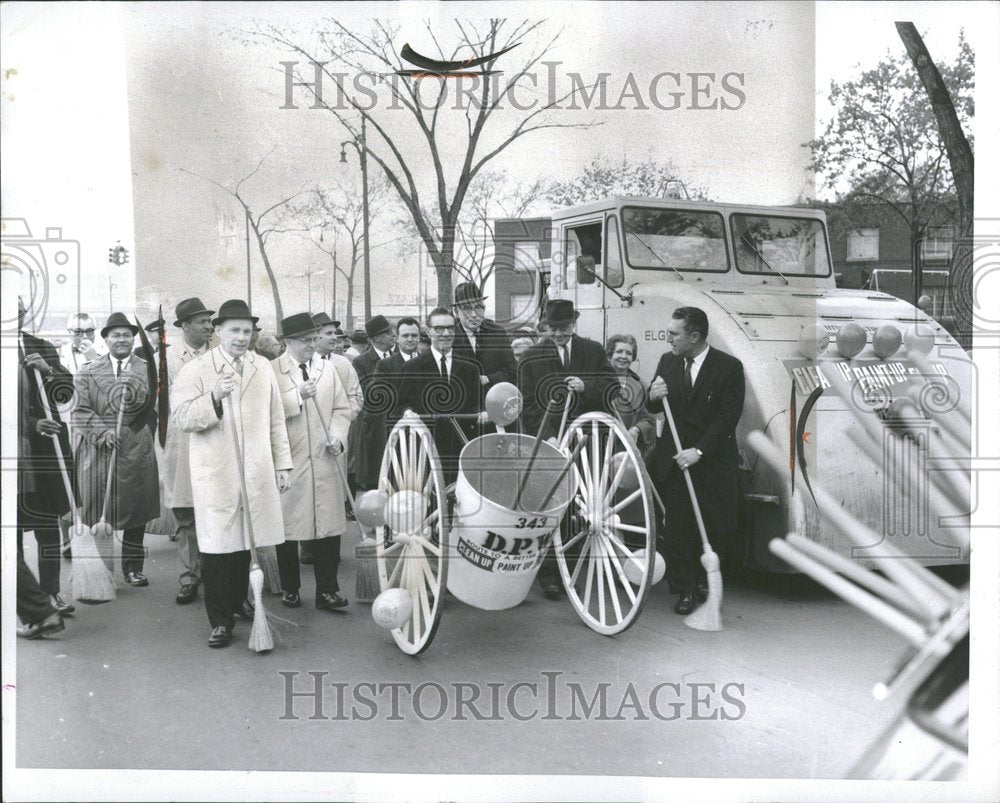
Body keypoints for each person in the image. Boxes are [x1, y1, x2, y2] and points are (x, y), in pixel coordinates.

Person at [171, 299, 292, 648]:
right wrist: (213, 397)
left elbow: (275, 420)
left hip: (255, 468)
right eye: (234, 330)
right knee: (217, 545)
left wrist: (282, 464)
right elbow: (181, 417)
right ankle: (220, 620)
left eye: (247, 331)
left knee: (246, 540)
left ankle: (241, 599)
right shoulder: (197, 369)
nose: (241, 337)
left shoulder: (262, 367)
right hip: (216, 470)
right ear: (219, 331)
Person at [648, 307, 745, 615]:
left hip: (712, 460)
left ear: (695, 336)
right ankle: (685, 588)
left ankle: (705, 580)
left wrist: (699, 451)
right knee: (678, 527)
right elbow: (653, 407)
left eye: (674, 333)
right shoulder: (668, 361)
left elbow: (727, 418)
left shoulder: (728, 367)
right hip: (675, 458)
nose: (669, 339)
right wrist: (652, 394)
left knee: (717, 525)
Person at [518, 299, 617, 599]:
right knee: (551, 507)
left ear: (574, 324)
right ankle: (549, 575)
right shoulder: (531, 358)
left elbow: (611, 386)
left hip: (587, 441)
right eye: (553, 328)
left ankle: (571, 568)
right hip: (549, 441)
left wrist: (586, 386)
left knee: (581, 507)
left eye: (564, 328)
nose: (558, 334)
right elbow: (528, 405)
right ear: (546, 326)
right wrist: (547, 438)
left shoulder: (593, 351)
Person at [272, 313, 353, 610]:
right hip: (290, 459)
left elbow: (342, 409)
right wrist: (297, 396)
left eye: (313, 339)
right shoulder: (272, 371)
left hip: (324, 456)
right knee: (289, 526)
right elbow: (268, 413)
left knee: (328, 525)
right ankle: (290, 587)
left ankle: (327, 590)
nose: (312, 345)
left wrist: (338, 437)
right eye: (306, 341)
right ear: (288, 342)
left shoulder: (327, 369)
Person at [73, 312, 159, 587]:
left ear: (132, 338)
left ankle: (133, 568)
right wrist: (102, 433)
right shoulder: (87, 371)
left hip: (134, 445)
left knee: (135, 509)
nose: (122, 339)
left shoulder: (146, 368)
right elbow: (80, 410)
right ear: (105, 340)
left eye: (126, 335)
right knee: (99, 509)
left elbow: (152, 407)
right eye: (116, 335)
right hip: (98, 450)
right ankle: (103, 570)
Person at [17, 296, 76, 617]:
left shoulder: (40, 346)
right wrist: (31, 423)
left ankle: (51, 593)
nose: (15, 314)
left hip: (47, 451)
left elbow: (66, 391)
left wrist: (49, 369)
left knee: (47, 526)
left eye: (20, 309)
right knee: (11, 531)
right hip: (15, 455)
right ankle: (26, 601)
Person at [162, 297, 216, 604]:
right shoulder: (167, 359)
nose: (208, 326)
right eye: (201, 321)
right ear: (184, 326)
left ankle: (215, 571)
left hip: (214, 441)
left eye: (209, 321)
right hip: (182, 444)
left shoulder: (221, 356)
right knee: (185, 513)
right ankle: (189, 577)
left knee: (215, 509)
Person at [397, 308, 484, 485]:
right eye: (439, 328)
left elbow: (478, 404)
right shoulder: (412, 368)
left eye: (450, 328)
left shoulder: (470, 368)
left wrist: (482, 412)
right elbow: (402, 403)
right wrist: (408, 412)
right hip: (426, 449)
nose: (446, 333)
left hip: (461, 446)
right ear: (428, 331)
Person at [360, 317, 421, 490]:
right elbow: (377, 396)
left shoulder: (427, 361)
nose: (410, 339)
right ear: (398, 338)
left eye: (414, 335)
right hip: (397, 431)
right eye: (405, 335)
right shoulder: (385, 365)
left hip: (424, 431)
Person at [353, 315, 397, 492]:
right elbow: (369, 393)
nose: (393, 335)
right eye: (388, 332)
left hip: (395, 422)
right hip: (375, 426)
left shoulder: (398, 357)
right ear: (377, 337)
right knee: (376, 476)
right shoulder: (361, 362)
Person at [451, 282, 517, 398]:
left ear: (484, 308)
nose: (474, 314)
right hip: (462, 406)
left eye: (478, 307)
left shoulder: (498, 333)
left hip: (495, 403)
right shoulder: (450, 337)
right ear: (456, 312)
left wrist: (488, 379)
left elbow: (512, 371)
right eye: (466, 308)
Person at [606, 334, 657, 459]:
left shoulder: (640, 386)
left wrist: (637, 429)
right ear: (609, 355)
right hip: (602, 448)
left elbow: (649, 419)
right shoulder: (598, 383)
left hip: (628, 451)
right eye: (619, 352)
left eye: (628, 353)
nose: (624, 356)